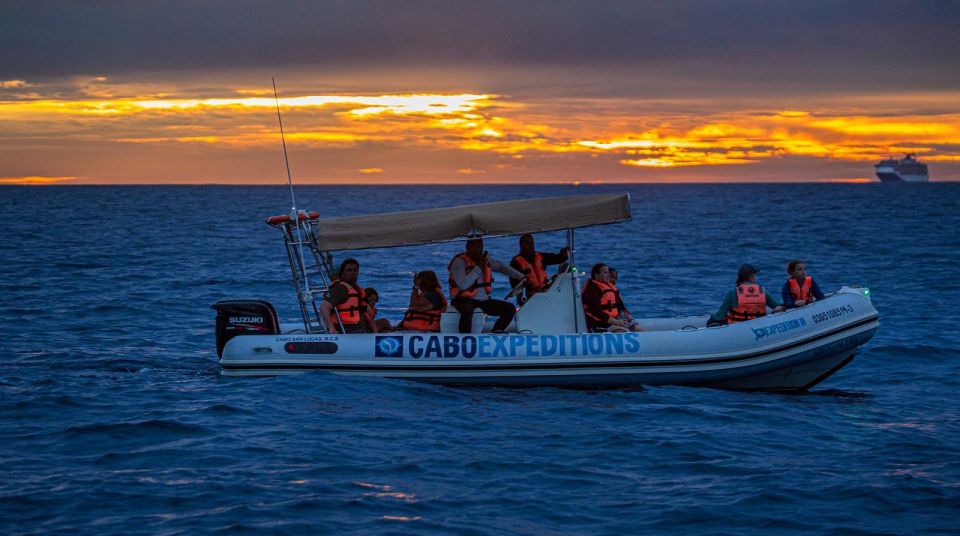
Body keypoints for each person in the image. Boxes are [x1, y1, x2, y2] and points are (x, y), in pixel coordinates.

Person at [448, 238, 525, 333]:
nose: (477, 250)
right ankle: (465, 339)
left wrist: (520, 276)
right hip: (462, 299)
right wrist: (478, 268)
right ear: (467, 247)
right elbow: (463, 285)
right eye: (473, 247)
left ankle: (496, 333)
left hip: (483, 300)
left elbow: (500, 267)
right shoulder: (459, 262)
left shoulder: (485, 259)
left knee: (509, 309)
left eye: (479, 247)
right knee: (467, 310)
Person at [708, 264, 785, 326]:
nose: (755, 277)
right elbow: (777, 306)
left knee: (712, 321)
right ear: (751, 276)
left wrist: (712, 317)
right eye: (755, 274)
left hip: (736, 326)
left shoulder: (733, 292)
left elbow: (720, 315)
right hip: (759, 326)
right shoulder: (762, 291)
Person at [509, 234, 569, 304]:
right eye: (527, 243)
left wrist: (564, 255)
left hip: (544, 291)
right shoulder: (515, 262)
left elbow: (557, 259)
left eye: (532, 243)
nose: (530, 246)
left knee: (559, 277)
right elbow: (514, 285)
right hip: (528, 297)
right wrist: (530, 290)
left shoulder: (540, 256)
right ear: (521, 245)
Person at [582, 263, 642, 332]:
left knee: (634, 327)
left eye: (608, 273)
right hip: (598, 325)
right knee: (622, 331)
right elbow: (595, 311)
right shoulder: (592, 290)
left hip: (611, 322)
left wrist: (629, 322)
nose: (608, 275)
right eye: (605, 272)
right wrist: (616, 322)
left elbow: (620, 308)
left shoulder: (609, 288)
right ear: (596, 275)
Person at [320, 258, 374, 333]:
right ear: (342, 273)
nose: (353, 273)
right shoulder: (339, 289)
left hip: (361, 329)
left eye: (355, 270)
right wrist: (332, 329)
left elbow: (368, 312)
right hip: (349, 332)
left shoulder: (357, 289)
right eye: (349, 270)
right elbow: (324, 307)